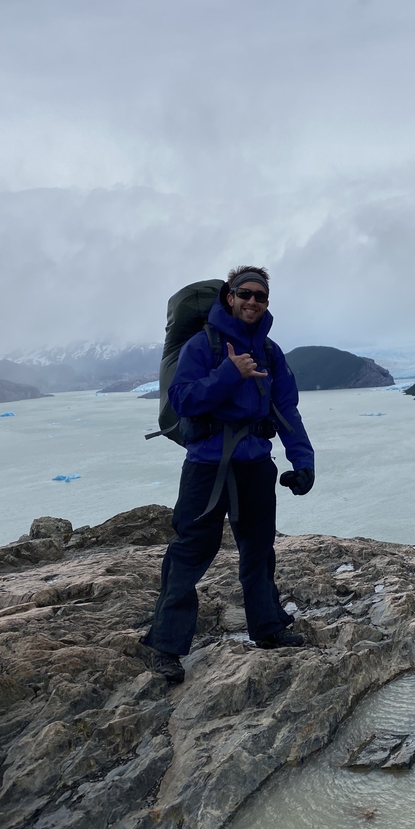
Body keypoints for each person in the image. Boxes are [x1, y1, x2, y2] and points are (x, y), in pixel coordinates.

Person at [142, 266, 315, 682]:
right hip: (207, 465)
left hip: (255, 464)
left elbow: (286, 409)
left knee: (259, 549)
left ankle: (269, 628)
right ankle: (166, 647)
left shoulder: (271, 352)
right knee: (190, 552)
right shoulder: (204, 346)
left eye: (261, 296)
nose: (253, 301)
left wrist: (303, 462)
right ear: (229, 298)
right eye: (245, 294)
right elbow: (183, 399)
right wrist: (229, 374)